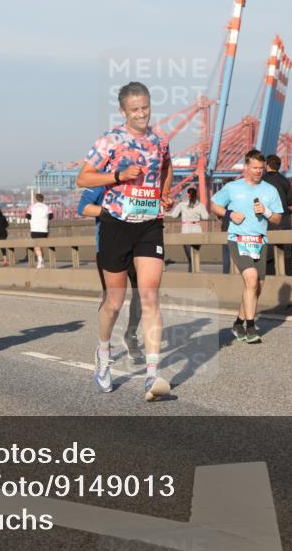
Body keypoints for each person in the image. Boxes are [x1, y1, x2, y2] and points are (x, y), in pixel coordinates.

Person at [77, 81, 174, 401]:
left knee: (150, 296)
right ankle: (103, 356)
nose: (142, 114)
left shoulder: (160, 141)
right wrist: (118, 176)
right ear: (123, 111)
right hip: (116, 224)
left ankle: (152, 376)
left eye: (145, 107)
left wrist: (164, 193)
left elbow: (166, 166)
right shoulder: (109, 141)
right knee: (115, 302)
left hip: (149, 224)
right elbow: (84, 178)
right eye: (135, 109)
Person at [210, 150, 284, 343]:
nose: (259, 171)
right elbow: (214, 205)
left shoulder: (270, 190)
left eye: (261, 168)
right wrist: (229, 214)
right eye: (255, 168)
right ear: (246, 167)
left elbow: (277, 218)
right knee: (250, 279)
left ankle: (238, 322)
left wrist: (266, 212)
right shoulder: (233, 187)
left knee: (256, 287)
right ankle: (251, 327)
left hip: (260, 242)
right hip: (238, 239)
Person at [78, 186, 143, 362]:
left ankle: (131, 335)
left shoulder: (140, 178)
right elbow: (82, 207)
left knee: (143, 294)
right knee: (110, 299)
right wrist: (112, 213)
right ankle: (105, 345)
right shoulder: (101, 180)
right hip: (109, 247)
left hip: (138, 246)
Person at [263, 154, 292, 276]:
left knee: (267, 255)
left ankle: (270, 280)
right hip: (284, 220)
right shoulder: (285, 181)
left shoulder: (262, 181)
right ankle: (289, 278)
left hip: (268, 220)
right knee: (286, 253)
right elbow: (289, 201)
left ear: (266, 165)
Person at [168, 187, 209, 273]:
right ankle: (195, 273)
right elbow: (206, 217)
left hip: (185, 230)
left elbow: (174, 215)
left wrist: (181, 214)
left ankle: (191, 274)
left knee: (190, 257)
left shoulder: (182, 204)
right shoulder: (200, 205)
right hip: (197, 230)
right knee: (195, 255)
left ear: (187, 194)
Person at [26, 193, 53, 269]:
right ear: (43, 199)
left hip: (34, 229)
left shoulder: (31, 207)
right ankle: (41, 261)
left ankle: (40, 260)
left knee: (37, 246)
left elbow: (27, 216)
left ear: (36, 199)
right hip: (44, 229)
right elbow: (51, 216)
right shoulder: (47, 207)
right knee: (40, 246)